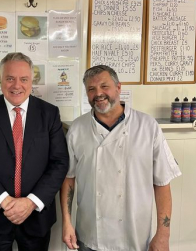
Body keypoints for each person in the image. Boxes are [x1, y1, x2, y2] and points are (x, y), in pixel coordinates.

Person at [61, 65, 182, 251]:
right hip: (90, 236)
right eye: (91, 89)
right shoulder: (77, 129)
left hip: (135, 236)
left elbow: (162, 182)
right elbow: (68, 179)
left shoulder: (148, 126)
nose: (98, 93)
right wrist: (67, 222)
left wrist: (163, 234)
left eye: (104, 86)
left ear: (118, 88)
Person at [0, 52, 69, 251]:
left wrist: (30, 203)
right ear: (1, 80)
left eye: (23, 79)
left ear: (32, 81)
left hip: (36, 216)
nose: (16, 85)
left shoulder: (49, 113)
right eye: (10, 78)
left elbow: (59, 162)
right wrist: (4, 201)